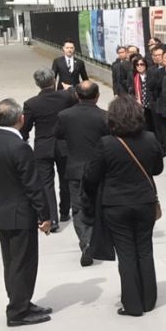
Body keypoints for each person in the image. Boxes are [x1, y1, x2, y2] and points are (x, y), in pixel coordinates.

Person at [83, 96, 165, 317]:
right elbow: (157, 169)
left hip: (116, 204)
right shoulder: (150, 138)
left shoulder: (106, 143)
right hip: (145, 201)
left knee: (126, 254)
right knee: (145, 250)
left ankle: (132, 303)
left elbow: (92, 175)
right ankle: (149, 299)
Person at [0, 98, 53, 326]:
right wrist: (44, 215)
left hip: (3, 210)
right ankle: (18, 312)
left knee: (12, 263)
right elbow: (33, 185)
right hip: (21, 214)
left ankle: (20, 301)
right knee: (24, 263)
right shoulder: (20, 147)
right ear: (20, 119)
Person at [55, 81, 108, 266]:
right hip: (98, 169)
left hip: (76, 168)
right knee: (98, 205)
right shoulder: (104, 116)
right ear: (97, 96)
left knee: (78, 208)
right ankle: (94, 240)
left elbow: (58, 135)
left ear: (77, 96)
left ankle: (86, 241)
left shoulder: (64, 115)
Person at [22, 67, 78, 228]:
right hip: (63, 144)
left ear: (37, 84)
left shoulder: (31, 103)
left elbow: (26, 127)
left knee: (46, 183)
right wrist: (70, 89)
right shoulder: (65, 97)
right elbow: (78, 98)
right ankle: (65, 211)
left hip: (43, 146)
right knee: (65, 180)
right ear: (54, 80)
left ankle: (52, 218)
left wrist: (24, 139)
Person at [130, 56, 153, 130]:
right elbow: (131, 92)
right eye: (137, 65)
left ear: (146, 65)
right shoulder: (134, 77)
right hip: (140, 107)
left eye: (142, 64)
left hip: (150, 106)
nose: (139, 66)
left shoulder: (151, 75)